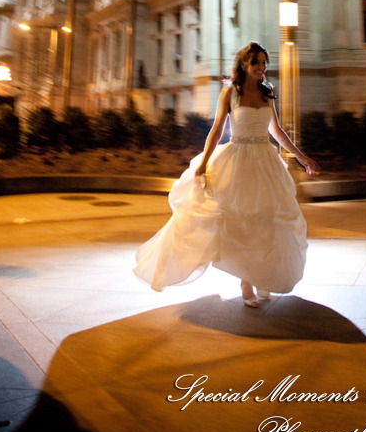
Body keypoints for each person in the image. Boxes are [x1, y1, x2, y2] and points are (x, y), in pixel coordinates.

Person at [134, 41, 319, 306]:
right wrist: (202, 163)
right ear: (244, 64)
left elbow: (276, 132)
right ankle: (246, 284)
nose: (262, 67)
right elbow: (217, 130)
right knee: (242, 223)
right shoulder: (230, 93)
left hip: (265, 163)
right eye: (256, 62)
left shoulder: (268, 93)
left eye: (265, 62)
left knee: (266, 222)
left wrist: (303, 158)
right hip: (237, 161)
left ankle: (261, 277)